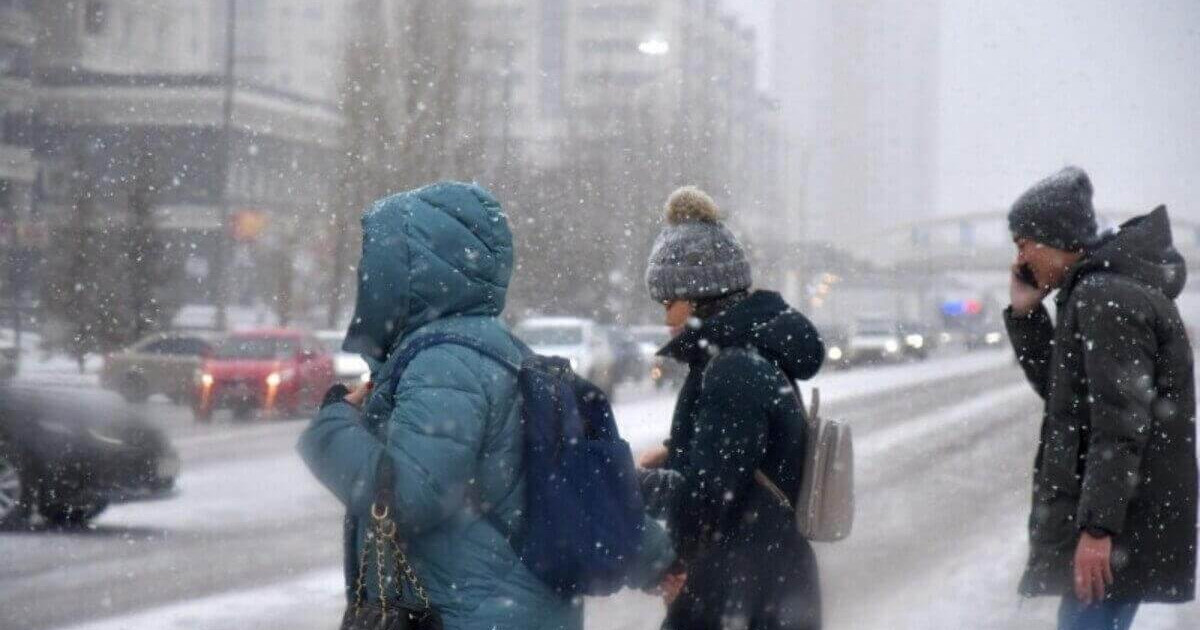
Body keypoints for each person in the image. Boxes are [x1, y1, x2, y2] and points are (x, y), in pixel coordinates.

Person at [298, 182, 674, 630]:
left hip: (468, 616)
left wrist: (331, 426)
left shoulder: (445, 362)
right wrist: (661, 562)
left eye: (378, 262)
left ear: (413, 273)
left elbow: (408, 497)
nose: (366, 276)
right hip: (517, 612)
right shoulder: (500, 350)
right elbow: (567, 488)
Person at [1004, 166, 1197, 630]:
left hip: (1119, 527)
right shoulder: (1100, 289)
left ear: (1056, 239)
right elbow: (1067, 397)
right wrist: (1026, 316)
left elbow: (1118, 425)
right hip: (1124, 521)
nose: (1020, 258)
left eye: (1024, 244)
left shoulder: (1105, 296)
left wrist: (1098, 530)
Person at [638, 186, 825, 630]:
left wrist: (633, 484)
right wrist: (676, 455)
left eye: (669, 302)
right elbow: (736, 464)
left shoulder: (733, 371)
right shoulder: (747, 357)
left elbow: (705, 498)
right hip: (763, 583)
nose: (666, 318)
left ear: (698, 297)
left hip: (740, 592)